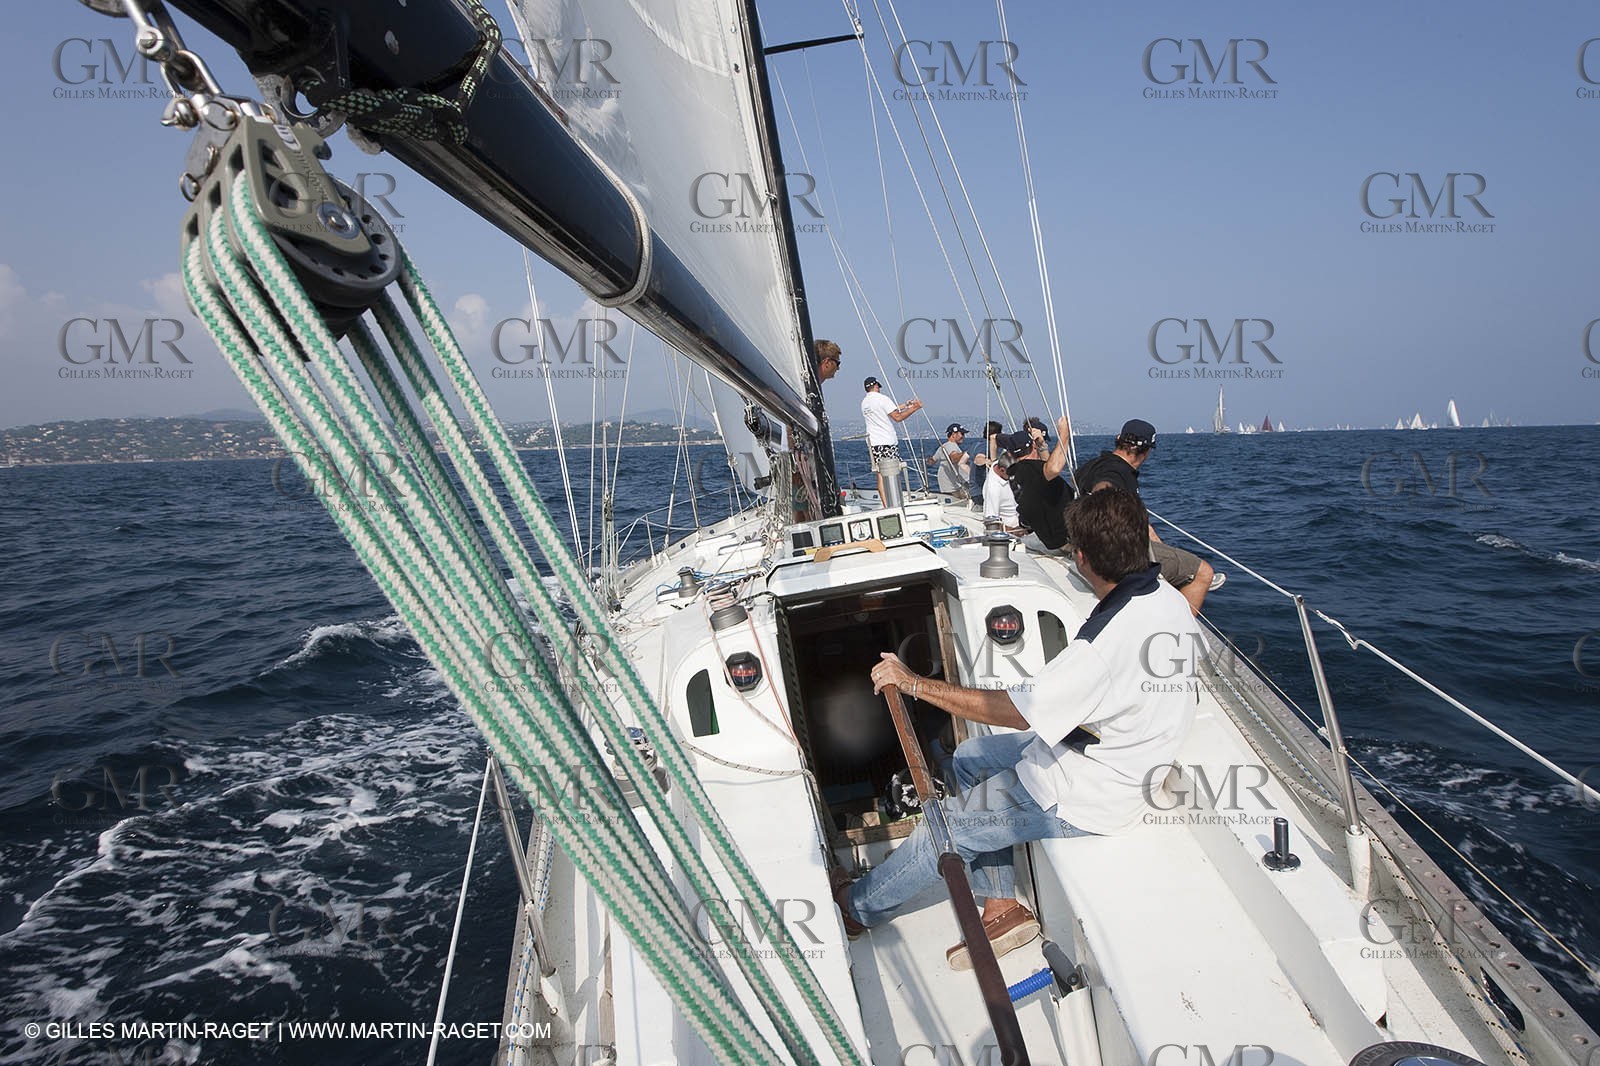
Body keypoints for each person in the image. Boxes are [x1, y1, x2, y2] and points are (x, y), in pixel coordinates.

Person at [834, 489, 1201, 967]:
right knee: (968, 760)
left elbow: (1018, 710)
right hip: (1109, 750)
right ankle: (1001, 904)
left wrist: (913, 684)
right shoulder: (1168, 598)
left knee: (944, 828)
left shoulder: (1101, 647)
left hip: (1090, 791)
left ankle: (856, 908)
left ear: (1082, 558)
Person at [1073, 419, 1221, 616]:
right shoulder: (1117, 472)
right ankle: (1177, 633)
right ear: (1147, 451)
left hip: (1082, 544)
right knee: (1203, 573)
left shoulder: (1092, 465)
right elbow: (1104, 485)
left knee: (1167, 561)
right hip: (1113, 551)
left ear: (1119, 440)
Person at [1003, 415, 1075, 552]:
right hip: (1059, 542)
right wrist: (1064, 434)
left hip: (1044, 537)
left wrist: (1041, 446)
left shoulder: (1017, 472)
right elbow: (1053, 468)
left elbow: (1046, 471)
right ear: (1032, 447)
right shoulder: (1029, 469)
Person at [861, 377, 922, 502]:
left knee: (880, 475)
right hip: (886, 443)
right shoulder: (882, 399)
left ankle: (886, 504)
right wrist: (915, 408)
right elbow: (897, 417)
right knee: (891, 473)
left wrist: (906, 405)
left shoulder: (865, 402)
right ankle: (893, 504)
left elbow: (888, 410)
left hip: (874, 444)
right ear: (877, 386)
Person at [927, 423, 972, 498]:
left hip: (950, 486)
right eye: (962, 434)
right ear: (954, 434)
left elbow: (931, 461)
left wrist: (927, 460)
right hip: (955, 488)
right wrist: (969, 452)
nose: (963, 436)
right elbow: (953, 458)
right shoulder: (951, 445)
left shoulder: (943, 446)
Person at [981, 452, 1021, 532]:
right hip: (1012, 528)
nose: (1014, 476)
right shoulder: (993, 489)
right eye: (1011, 474)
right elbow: (992, 522)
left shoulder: (1000, 464)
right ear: (1002, 470)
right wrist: (1015, 530)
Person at [969, 420, 1003, 500]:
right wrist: (990, 462)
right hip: (982, 493)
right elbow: (978, 459)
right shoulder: (986, 445)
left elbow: (961, 462)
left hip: (975, 491)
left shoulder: (976, 445)